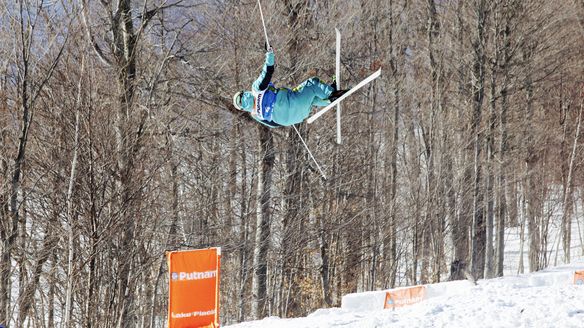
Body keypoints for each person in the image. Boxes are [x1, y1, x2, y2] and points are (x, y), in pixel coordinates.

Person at [233, 49, 347, 127]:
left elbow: (273, 125)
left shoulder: (255, 115)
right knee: (312, 84)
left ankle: (329, 100)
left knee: (310, 100)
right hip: (289, 103)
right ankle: (332, 93)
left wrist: (288, 118)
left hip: (294, 118)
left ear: (243, 108)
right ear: (244, 93)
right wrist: (270, 55)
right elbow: (268, 71)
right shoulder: (256, 90)